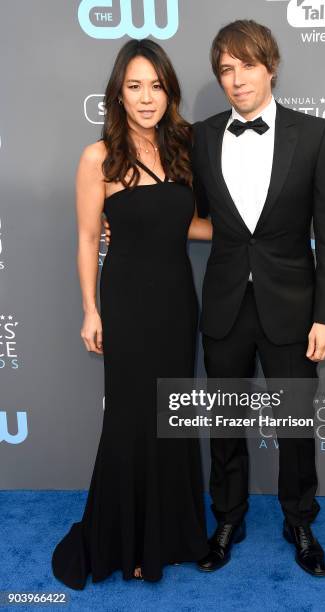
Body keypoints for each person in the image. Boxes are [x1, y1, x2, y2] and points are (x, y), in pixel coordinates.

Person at [104, 19, 325, 578]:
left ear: (271, 67)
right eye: (225, 70)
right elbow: (174, 210)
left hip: (293, 305)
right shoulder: (201, 136)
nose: (236, 80)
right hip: (222, 304)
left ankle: (300, 520)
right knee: (223, 422)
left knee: (294, 421)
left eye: (247, 67)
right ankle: (228, 518)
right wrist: (132, 223)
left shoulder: (314, 135)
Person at [51, 38, 212, 589]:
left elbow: (188, 224)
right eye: (135, 86)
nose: (147, 98)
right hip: (125, 303)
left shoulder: (185, 150)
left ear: (170, 91)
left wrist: (259, 230)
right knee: (129, 419)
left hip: (175, 302)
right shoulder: (98, 158)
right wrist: (89, 310)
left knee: (173, 416)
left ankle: (170, 536)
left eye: (157, 86)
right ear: (118, 93)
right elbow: (87, 237)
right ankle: (126, 539)